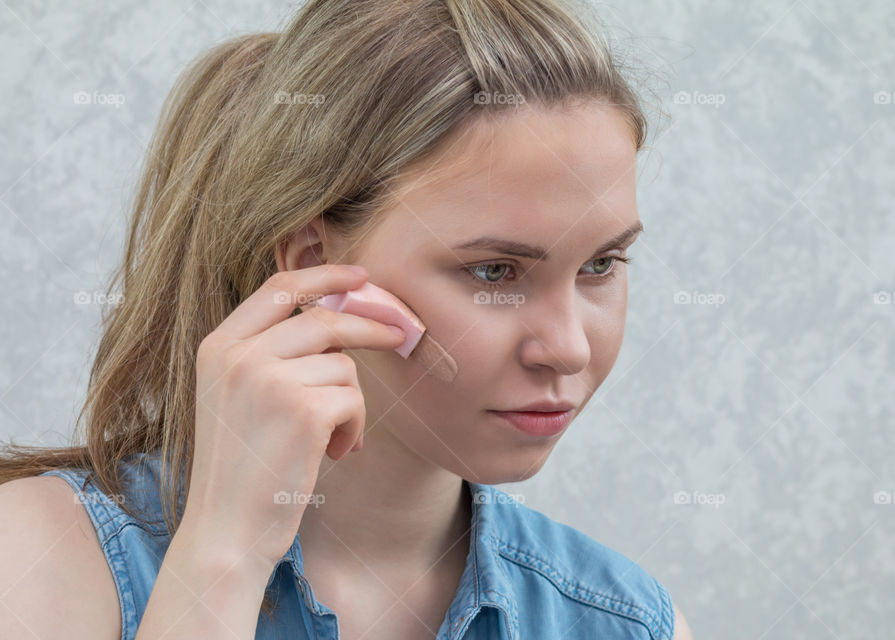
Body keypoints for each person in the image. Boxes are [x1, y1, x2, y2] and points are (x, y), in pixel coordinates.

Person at [0, 0, 693, 638]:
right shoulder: (40, 561)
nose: (567, 348)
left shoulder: (626, 622)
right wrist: (225, 554)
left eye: (601, 265)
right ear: (313, 261)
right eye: (494, 273)